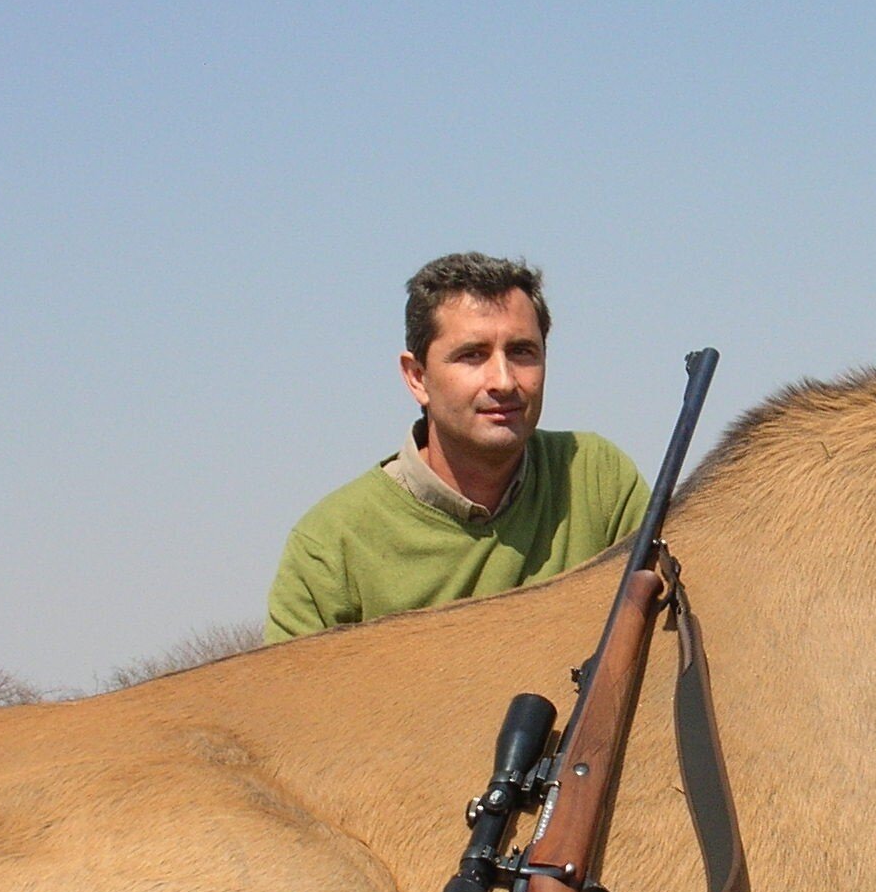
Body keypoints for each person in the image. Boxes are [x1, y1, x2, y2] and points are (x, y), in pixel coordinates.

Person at [264, 253, 650, 640]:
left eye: (521, 352)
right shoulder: (330, 546)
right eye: (472, 355)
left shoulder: (597, 479)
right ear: (417, 378)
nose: (503, 380)